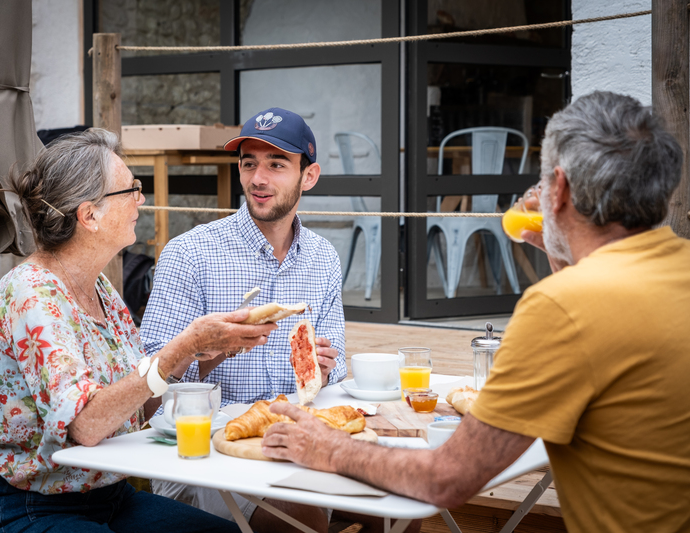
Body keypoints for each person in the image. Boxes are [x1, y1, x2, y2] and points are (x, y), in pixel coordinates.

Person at [262, 91, 690, 533]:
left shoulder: (563, 308)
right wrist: (559, 242)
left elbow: (445, 480)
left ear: (558, 189)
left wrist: (328, 447)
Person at [0, 129, 277, 533]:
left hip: (110, 496)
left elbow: (134, 408)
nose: (141, 200)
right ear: (89, 215)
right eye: (132, 189)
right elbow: (86, 426)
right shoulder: (31, 295)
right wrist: (184, 343)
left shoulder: (101, 289)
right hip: (29, 505)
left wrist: (200, 353)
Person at [139, 108, 347, 532]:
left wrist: (323, 367)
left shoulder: (323, 258)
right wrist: (206, 353)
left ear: (309, 176)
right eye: (249, 163)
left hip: (297, 438)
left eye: (276, 164)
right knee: (300, 520)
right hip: (205, 453)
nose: (258, 179)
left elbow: (336, 370)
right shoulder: (188, 254)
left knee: (398, 503)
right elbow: (146, 393)